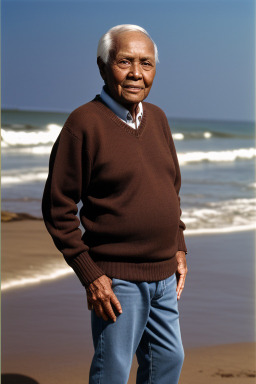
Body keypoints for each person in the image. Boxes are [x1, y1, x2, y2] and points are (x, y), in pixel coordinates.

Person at [42, 24, 188, 384]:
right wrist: (90, 274)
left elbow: (171, 187)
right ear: (103, 66)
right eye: (125, 62)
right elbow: (57, 208)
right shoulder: (83, 124)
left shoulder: (158, 118)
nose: (137, 73)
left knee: (169, 360)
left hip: (164, 274)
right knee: (113, 371)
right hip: (117, 280)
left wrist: (179, 247)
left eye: (146, 63)